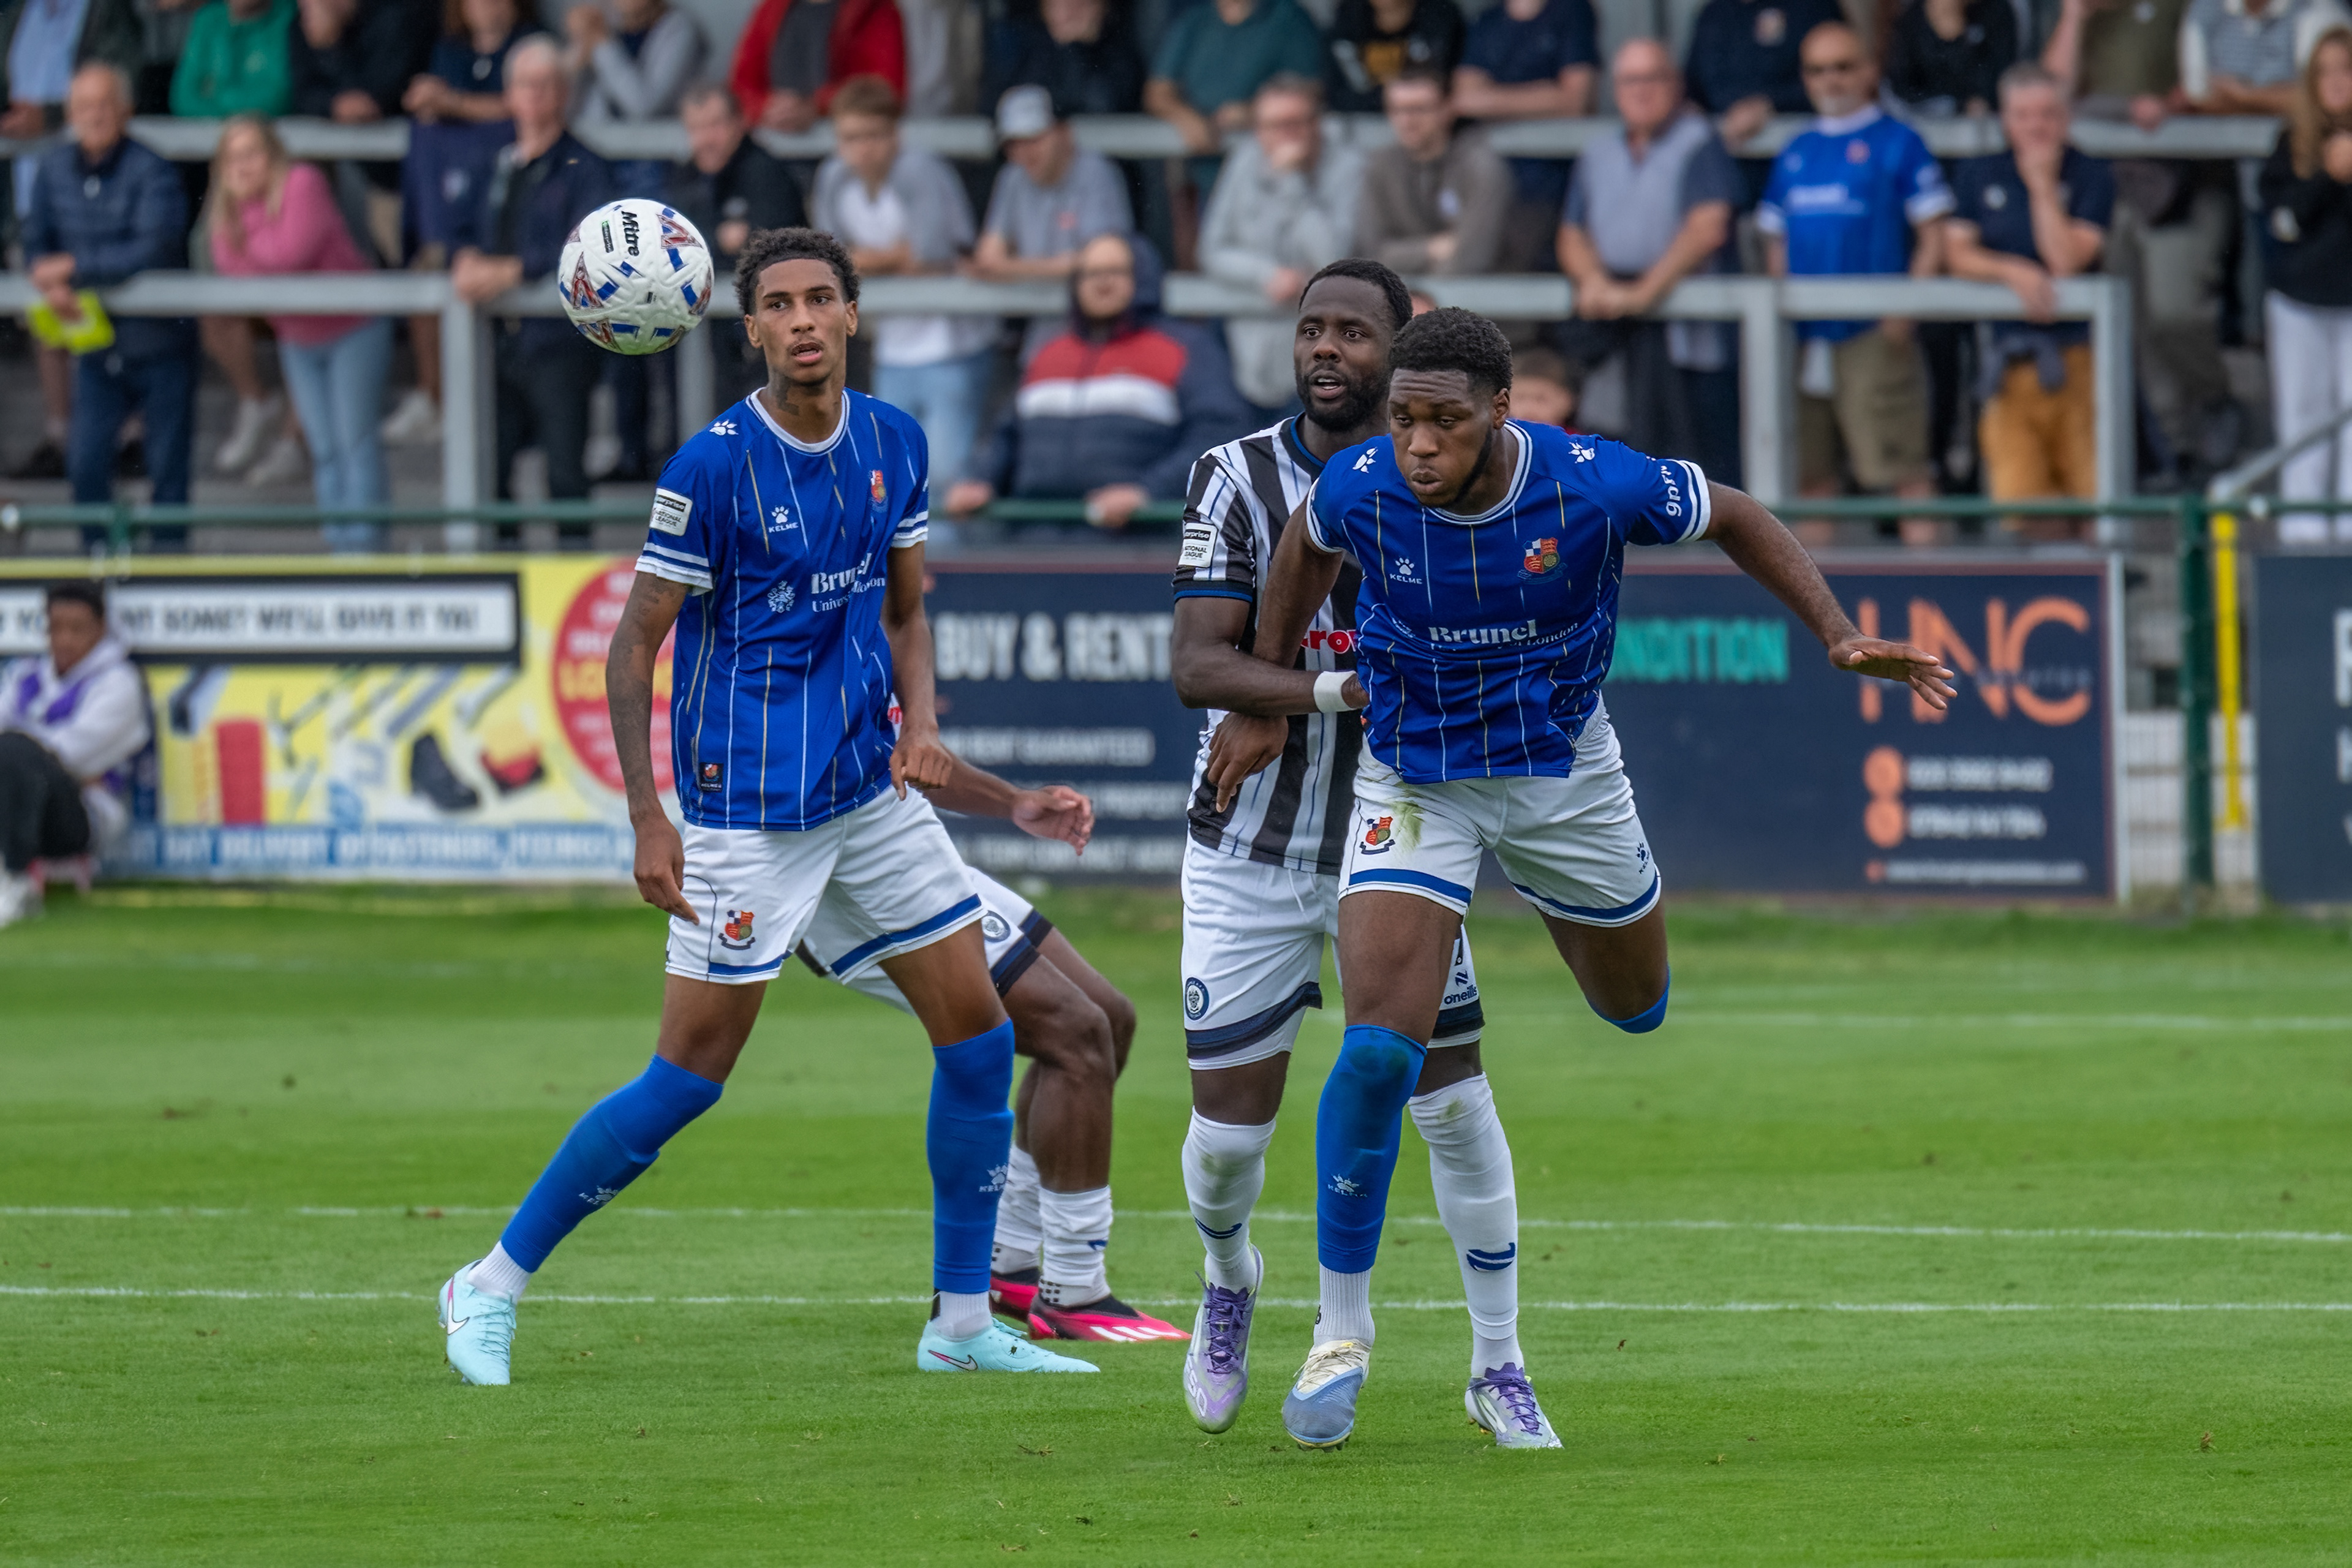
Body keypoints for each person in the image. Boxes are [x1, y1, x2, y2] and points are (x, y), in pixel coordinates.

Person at [1231, 306, 1954, 1450]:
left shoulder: (1594, 482)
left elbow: (1737, 513)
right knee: (1379, 1049)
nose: (1418, 444)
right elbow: (1304, 549)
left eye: (1445, 423)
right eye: (1405, 420)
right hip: (1416, 783)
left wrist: (1838, 632)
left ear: (1503, 412)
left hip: (1566, 780)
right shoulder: (1360, 482)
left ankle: (1457, 1331)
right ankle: (1346, 1338)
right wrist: (1268, 693)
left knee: (1636, 1008)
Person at [435, 226, 1098, 1384]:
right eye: (779, 303)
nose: (801, 319)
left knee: (983, 1044)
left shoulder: (895, 441)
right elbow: (634, 644)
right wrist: (651, 818)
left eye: (819, 298)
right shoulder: (711, 468)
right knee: (687, 1080)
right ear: (748, 328)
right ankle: (486, 1285)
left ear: (852, 314)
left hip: (868, 798)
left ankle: (957, 1323)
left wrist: (924, 726)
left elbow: (903, 612)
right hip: (744, 819)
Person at [1167, 258, 1510, 1441]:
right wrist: (1312, 691)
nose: (1328, 350)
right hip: (1251, 849)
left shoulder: (1459, 480)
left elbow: (1458, 666)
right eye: (1313, 328)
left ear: (1404, 350)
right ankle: (1227, 1283)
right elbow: (1197, 667)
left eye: (1355, 333)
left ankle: (1498, 1359)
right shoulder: (1238, 475)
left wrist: (1294, 694)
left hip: (1404, 826)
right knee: (1224, 1151)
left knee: (1451, 1100)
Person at [798, 758, 1182, 1342]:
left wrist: (1013, 802)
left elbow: (908, 748)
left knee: (1109, 1017)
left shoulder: (881, 664)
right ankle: (1075, 1288)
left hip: (906, 848)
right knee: (1075, 1035)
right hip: (848, 876)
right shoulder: (791, 673)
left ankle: (1007, 1259)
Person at [1757, 21, 1950, 520]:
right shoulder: (1796, 149)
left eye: (1843, 67)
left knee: (1904, 473)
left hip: (1874, 334)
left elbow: (1934, 235)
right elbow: (1774, 238)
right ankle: (1813, 600)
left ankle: (1934, 594)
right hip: (1805, 338)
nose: (1830, 80)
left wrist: (1905, 310)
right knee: (1811, 480)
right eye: (1817, 70)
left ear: (1868, 71)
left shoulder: (1899, 141)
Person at [2041, 0, 2239, 475]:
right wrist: (2074, 16)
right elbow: (2051, 94)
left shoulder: (2186, 8)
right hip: (2108, 182)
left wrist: (2171, 104)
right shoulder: (2082, 16)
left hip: (2183, 181)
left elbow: (2224, 79)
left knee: (2175, 309)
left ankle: (2212, 400)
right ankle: (2175, 448)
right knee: (2130, 325)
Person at [945, 232, 1254, 530]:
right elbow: (1006, 437)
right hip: (1034, 542)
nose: (1102, 281)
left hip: (1138, 544)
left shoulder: (1186, 349)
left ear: (1142, 276)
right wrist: (980, 480)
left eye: (1115, 271)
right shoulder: (1047, 355)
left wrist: (1148, 492)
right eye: (1090, 273)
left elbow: (1220, 436)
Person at [1556, 37, 1744, 486]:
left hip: (1691, 341)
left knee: (1701, 475)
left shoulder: (1701, 141)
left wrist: (1642, 294)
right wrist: (1596, 283)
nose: (1641, 90)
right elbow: (1571, 233)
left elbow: (1707, 227)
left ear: (1676, 84)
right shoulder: (1597, 151)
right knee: (1622, 467)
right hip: (1617, 334)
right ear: (1615, 89)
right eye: (1630, 80)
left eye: (1653, 78)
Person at [448, 34, 612, 544]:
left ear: (564, 93)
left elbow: (588, 245)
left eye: (546, 85)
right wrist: (465, 259)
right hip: (495, 340)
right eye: (525, 84)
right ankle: (501, 581)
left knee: (565, 472)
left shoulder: (587, 165)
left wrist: (513, 271)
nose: (535, 95)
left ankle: (572, 584)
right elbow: (462, 229)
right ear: (510, 93)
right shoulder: (495, 163)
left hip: (557, 344)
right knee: (491, 469)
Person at [24, 63, 195, 538]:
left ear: (126, 110)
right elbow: (36, 238)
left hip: (160, 344)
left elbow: (154, 244)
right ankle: (99, 566)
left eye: (103, 105)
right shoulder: (54, 167)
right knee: (85, 464)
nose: (93, 116)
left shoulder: (153, 168)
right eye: (83, 106)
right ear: (70, 114)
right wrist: (48, 279)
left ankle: (169, 574)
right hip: (97, 349)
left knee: (168, 474)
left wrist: (74, 269)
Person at [206, 116, 393, 548]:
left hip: (354, 327)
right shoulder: (227, 205)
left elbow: (291, 255)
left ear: (273, 155)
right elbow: (230, 273)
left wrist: (247, 220)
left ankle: (366, 558)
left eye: (252, 153)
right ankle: (339, 548)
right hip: (298, 338)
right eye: (233, 158)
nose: (243, 166)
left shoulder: (303, 182)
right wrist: (248, 226)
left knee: (355, 443)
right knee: (324, 450)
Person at [1945, 64, 2114, 519]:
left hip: (2081, 360)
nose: (2035, 125)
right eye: (2023, 115)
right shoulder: (1980, 172)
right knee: (2022, 503)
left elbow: (2065, 260)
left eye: (2047, 114)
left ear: (2065, 117)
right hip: (2009, 360)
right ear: (2005, 118)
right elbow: (1956, 253)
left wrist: (2041, 186)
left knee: (2093, 498)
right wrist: (2011, 271)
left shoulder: (2091, 173)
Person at [810, 74, 993, 484]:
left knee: (947, 477)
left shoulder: (923, 170)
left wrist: (863, 259)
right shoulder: (833, 178)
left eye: (874, 135)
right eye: (851, 137)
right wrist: (895, 254)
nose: (863, 148)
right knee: (893, 479)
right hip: (892, 348)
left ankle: (956, 553)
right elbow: (828, 264)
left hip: (952, 346)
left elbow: (932, 256)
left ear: (896, 133)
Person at [0, 0, 141, 483]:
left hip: (96, 185)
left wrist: (54, 117)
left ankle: (123, 433)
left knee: (103, 311)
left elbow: (120, 86)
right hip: (25, 188)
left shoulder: (105, 11)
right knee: (46, 320)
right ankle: (62, 434)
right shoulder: (20, 13)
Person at [1197, 74, 1365, 412]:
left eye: (1294, 123)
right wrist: (1266, 274)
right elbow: (1211, 249)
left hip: (1320, 353)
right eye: (1271, 125)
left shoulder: (1350, 168)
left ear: (1317, 123)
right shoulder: (1245, 160)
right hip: (1243, 340)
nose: (1282, 135)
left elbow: (1335, 259)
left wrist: (1292, 182)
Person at [0, 582, 150, 929]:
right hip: (26, 791)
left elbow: (69, 755)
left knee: (15, 753)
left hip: (82, 813)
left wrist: (21, 750)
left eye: (77, 630)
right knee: (13, 753)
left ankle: (16, 879)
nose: (64, 640)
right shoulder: (25, 676)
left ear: (101, 630)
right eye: (55, 629)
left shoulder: (118, 684)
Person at [2259, 25, 2352, 543]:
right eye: (2326, 72)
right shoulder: (2289, 147)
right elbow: (2283, 224)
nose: (2338, 83)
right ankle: (2304, 539)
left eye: (2347, 70)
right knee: (2303, 420)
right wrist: (2327, 176)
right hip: (2301, 303)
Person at [967, 84, 1133, 361]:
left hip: (1101, 333)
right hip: (1044, 335)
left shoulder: (1095, 172)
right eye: (1013, 143)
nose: (1024, 152)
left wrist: (1010, 267)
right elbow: (989, 255)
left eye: (1034, 138)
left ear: (1064, 133)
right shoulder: (1013, 177)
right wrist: (1044, 267)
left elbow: (1097, 264)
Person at [666, 81, 807, 406]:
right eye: (696, 128)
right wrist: (721, 238)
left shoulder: (766, 173)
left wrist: (712, 241)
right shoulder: (685, 176)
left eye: (714, 125)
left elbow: (770, 250)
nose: (705, 139)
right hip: (710, 333)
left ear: (739, 122)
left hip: (771, 338)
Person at [1452, 0, 1597, 267]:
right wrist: (1546, 94)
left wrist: (1491, 100)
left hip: (1553, 182)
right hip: (1493, 181)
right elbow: (1464, 98)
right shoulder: (1487, 21)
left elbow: (1575, 100)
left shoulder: (1573, 11)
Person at [1146, 0, 1327, 195]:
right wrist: (1186, 117)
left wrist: (1253, 113)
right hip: (1206, 178)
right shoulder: (1194, 20)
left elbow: (1313, 90)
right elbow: (1157, 91)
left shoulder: (1287, 17)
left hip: (1274, 178)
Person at [1352, 67, 1511, 277]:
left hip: (1475, 300)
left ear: (1447, 109)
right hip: (1397, 301)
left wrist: (1404, 262)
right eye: (1397, 110)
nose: (1407, 121)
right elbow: (1369, 254)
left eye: (1419, 109)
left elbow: (1472, 256)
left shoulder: (1480, 167)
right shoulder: (1379, 167)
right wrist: (1432, 249)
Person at [1682, 0, 1844, 149]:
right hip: (1727, 158)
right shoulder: (1714, 14)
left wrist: (1770, 104)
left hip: (1805, 152)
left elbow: (1842, 79)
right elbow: (1693, 89)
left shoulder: (1813, 6)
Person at [727, 0, 903, 132]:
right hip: (774, 149)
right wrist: (767, 108)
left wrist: (817, 107)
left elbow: (885, 88)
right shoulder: (773, 9)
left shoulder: (873, 9)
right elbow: (741, 83)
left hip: (851, 152)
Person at [982, 0, 1144, 118]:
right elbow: (998, 107)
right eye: (1058, 4)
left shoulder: (1120, 51)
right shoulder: (1024, 46)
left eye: (1079, 5)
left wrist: (1076, 48)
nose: (1067, 13)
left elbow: (1102, 106)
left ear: (1100, 8)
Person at [565, 0, 704, 132]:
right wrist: (580, 48)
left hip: (657, 150)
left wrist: (603, 43)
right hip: (600, 147)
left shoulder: (680, 30)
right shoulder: (607, 25)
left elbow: (644, 108)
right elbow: (565, 107)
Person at [1324, 0, 1464, 113]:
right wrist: (1391, 98)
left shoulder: (1439, 14)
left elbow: (1447, 88)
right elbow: (1336, 95)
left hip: (1427, 118)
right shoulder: (1349, 15)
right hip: (1365, 123)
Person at [1883, 0, 2019, 115]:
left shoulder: (1996, 11)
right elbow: (1902, 87)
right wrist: (1956, 105)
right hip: (1924, 126)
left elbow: (1998, 84)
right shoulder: (1912, 18)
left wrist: (1956, 41)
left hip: (1983, 131)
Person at [167, 0, 292, 113]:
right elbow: (183, 99)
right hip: (206, 133)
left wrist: (218, 94)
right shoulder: (207, 19)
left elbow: (278, 99)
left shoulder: (288, 18)